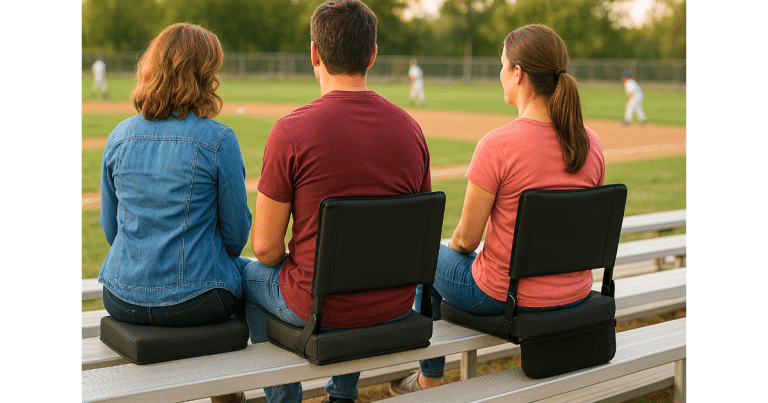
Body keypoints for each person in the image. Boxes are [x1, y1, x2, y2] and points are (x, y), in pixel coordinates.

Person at [390, 24, 606, 395]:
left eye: (502, 66)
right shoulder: (591, 142)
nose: (500, 74)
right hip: (576, 291)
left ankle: (430, 379)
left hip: (503, 296)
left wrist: (457, 254)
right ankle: (431, 375)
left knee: (424, 257)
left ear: (518, 73)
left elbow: (464, 239)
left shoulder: (497, 146)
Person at [239, 1, 431, 402]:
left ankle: (283, 399)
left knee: (247, 275)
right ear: (373, 54)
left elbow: (266, 248)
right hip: (394, 304)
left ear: (314, 53)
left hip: (319, 309)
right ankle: (342, 395)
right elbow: (418, 233)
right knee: (355, 270)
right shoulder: (411, 130)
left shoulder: (290, 132)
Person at [98, 23, 252, 403]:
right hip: (200, 299)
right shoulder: (218, 139)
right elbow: (235, 237)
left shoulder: (118, 136)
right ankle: (230, 395)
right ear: (205, 75)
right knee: (251, 277)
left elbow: (110, 230)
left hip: (121, 297)